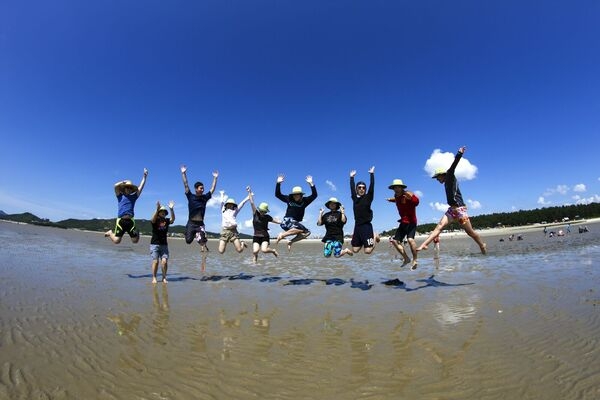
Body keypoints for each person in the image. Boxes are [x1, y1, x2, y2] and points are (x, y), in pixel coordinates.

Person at [417, 146, 487, 254]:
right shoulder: (445, 183)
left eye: (438, 177)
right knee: (439, 226)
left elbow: (453, 165)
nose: (437, 180)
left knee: (470, 232)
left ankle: (482, 245)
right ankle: (424, 244)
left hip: (460, 210)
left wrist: (459, 154)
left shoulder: (449, 177)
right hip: (451, 210)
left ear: (442, 175)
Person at [105, 168, 148, 244]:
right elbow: (115, 186)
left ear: (132, 190)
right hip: (121, 221)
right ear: (124, 188)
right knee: (116, 241)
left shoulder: (134, 197)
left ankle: (137, 231)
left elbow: (141, 187)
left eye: (130, 188)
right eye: (127, 187)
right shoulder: (120, 196)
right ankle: (110, 232)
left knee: (135, 241)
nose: (129, 189)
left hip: (130, 221)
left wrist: (144, 177)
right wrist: (123, 182)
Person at [275, 174, 318, 251]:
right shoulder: (289, 199)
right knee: (300, 228)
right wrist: (278, 183)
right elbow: (277, 195)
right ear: (293, 195)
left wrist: (311, 184)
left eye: (298, 195)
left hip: (295, 223)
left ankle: (290, 242)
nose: (296, 196)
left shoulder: (305, 201)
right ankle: (282, 235)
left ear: (301, 195)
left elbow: (314, 195)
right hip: (287, 221)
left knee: (307, 232)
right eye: (295, 195)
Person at [181, 165, 218, 253]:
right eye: (201, 188)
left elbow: (212, 189)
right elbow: (186, 185)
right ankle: (189, 232)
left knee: (202, 241)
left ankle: (199, 235)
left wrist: (215, 178)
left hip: (200, 224)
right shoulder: (190, 196)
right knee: (188, 241)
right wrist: (183, 173)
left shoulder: (205, 198)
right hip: (191, 223)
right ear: (196, 189)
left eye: (203, 188)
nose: (203, 189)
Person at [386, 179, 419, 269]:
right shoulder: (396, 196)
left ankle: (415, 260)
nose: (396, 189)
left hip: (411, 222)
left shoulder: (407, 194)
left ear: (402, 188)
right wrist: (390, 200)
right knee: (395, 241)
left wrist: (412, 197)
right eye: (394, 188)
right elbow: (397, 199)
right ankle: (406, 258)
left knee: (410, 240)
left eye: (398, 187)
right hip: (403, 222)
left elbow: (416, 202)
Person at [247, 186, 280, 263]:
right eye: (261, 211)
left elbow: (276, 221)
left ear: (266, 212)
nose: (262, 212)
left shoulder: (267, 217)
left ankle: (273, 251)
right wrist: (249, 192)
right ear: (259, 210)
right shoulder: (255, 214)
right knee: (255, 251)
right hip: (256, 236)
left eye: (264, 211)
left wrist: (282, 222)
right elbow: (252, 202)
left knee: (264, 250)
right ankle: (255, 258)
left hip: (265, 236)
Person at [349, 166, 377, 254]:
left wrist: (372, 174)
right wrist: (351, 178)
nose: (361, 189)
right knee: (355, 250)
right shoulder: (355, 198)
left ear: (365, 189)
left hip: (366, 226)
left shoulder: (368, 197)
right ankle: (362, 241)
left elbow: (372, 186)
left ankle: (375, 236)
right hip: (357, 226)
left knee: (368, 251)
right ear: (357, 189)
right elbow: (352, 189)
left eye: (363, 187)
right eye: (359, 187)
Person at [150, 201, 175, 284]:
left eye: (164, 212)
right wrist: (157, 210)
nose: (163, 213)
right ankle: (154, 277)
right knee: (155, 261)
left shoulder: (166, 221)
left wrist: (171, 209)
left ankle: (164, 277)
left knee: (164, 261)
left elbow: (172, 219)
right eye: (161, 211)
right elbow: (152, 220)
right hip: (155, 244)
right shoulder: (155, 219)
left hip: (164, 245)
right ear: (159, 212)